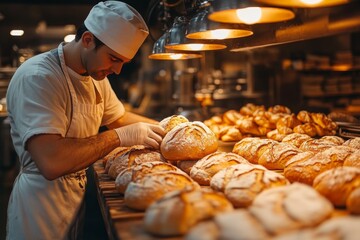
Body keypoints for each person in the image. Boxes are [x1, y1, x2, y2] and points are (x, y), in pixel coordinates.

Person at [5, 1, 165, 239]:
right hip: (40, 208)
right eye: (113, 58)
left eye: (123, 62)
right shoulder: (39, 77)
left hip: (74, 198)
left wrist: (167, 127)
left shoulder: (96, 76)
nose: (118, 70)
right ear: (88, 40)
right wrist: (119, 137)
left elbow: (118, 118)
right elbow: (52, 161)